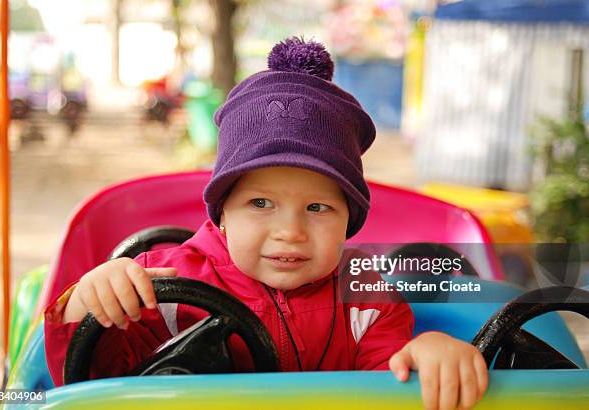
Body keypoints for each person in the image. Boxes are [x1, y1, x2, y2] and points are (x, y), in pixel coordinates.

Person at [45, 37, 488, 409]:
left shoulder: (367, 296)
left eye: (318, 209)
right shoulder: (160, 285)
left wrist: (425, 353)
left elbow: (388, 377)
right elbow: (94, 381)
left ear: (349, 222)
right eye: (260, 203)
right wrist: (88, 305)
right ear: (222, 214)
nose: (290, 231)